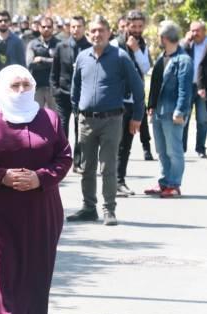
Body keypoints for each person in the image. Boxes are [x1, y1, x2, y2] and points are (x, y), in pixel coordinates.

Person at [0, 64, 72, 314]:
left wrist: (40, 177)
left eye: (25, 85)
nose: (20, 91)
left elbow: (64, 157)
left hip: (40, 208)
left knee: (34, 272)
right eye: (14, 86)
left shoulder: (50, 118)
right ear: (2, 88)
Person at [68, 15, 144, 226]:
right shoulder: (83, 57)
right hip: (86, 121)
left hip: (111, 120)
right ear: (88, 33)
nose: (96, 34)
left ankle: (109, 209)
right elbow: (75, 88)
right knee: (86, 167)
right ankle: (89, 207)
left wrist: (137, 116)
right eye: (93, 30)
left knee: (108, 166)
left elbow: (138, 88)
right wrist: (78, 112)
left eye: (101, 30)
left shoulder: (120, 57)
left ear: (109, 33)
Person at [146, 21, 193, 198]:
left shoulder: (183, 60)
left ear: (165, 38)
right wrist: (151, 106)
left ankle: (174, 184)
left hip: (173, 112)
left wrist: (180, 111)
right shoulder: (162, 56)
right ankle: (164, 181)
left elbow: (185, 89)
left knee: (174, 150)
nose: (158, 38)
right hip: (159, 111)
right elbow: (156, 83)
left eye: (159, 35)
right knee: (161, 150)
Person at [112, 10, 153, 197]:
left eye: (139, 26)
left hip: (134, 101)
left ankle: (120, 181)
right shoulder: (116, 44)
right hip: (116, 100)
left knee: (126, 144)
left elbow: (145, 67)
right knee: (114, 143)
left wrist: (136, 50)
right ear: (126, 25)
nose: (136, 30)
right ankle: (112, 181)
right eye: (133, 26)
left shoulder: (142, 45)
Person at [51, 15, 91, 171]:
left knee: (80, 129)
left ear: (84, 28)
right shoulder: (62, 46)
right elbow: (55, 71)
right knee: (61, 128)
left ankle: (78, 162)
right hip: (63, 94)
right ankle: (61, 159)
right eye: (73, 26)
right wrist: (55, 90)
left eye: (79, 26)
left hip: (82, 96)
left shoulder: (89, 47)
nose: (76, 29)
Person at [181, 21, 207, 157]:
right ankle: (181, 148)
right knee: (184, 117)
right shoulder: (187, 44)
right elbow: (177, 56)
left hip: (203, 86)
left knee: (202, 119)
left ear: (204, 31)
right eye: (192, 30)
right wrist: (185, 41)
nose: (194, 34)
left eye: (197, 31)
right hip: (188, 86)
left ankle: (200, 148)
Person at [26, 16, 59, 109]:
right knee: (36, 116)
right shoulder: (32, 44)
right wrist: (52, 63)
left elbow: (60, 63)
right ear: (39, 27)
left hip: (54, 87)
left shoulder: (59, 44)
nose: (46, 29)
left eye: (49, 27)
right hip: (37, 86)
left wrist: (41, 59)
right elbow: (30, 64)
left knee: (56, 117)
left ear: (53, 28)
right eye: (44, 27)